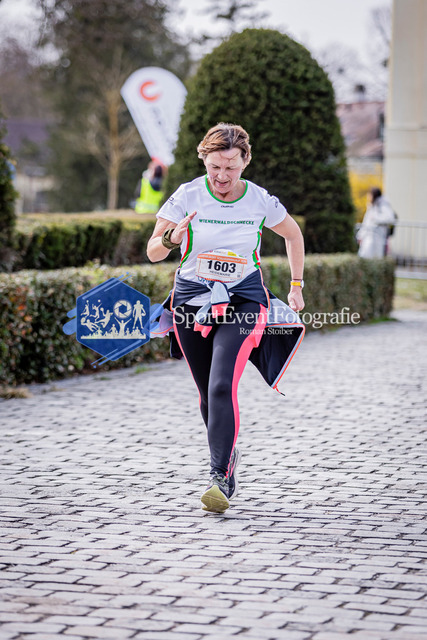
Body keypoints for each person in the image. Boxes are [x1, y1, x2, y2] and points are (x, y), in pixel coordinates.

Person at [147, 123, 305, 513]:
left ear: (245, 161)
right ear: (204, 160)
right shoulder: (187, 195)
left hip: (244, 301)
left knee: (221, 386)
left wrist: (296, 285)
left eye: (231, 167)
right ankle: (227, 456)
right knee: (206, 393)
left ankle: (218, 476)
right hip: (190, 302)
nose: (222, 176)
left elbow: (293, 235)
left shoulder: (259, 200)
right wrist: (171, 239)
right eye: (215, 166)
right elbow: (153, 251)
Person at [357, 187, 396, 258]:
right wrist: (360, 236)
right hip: (368, 236)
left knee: (375, 256)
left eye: (370, 194)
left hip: (378, 236)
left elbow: (390, 219)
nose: (368, 197)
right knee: (365, 255)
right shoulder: (371, 206)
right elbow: (366, 222)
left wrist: (375, 219)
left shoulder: (383, 205)